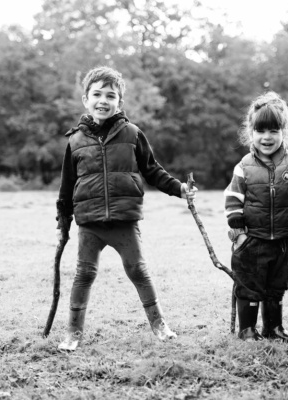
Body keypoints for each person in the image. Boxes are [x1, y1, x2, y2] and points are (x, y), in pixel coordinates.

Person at [55, 66, 196, 351]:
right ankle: (72, 332)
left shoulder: (132, 134)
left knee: (138, 271)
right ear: (85, 99)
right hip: (90, 224)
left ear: (120, 102)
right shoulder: (75, 140)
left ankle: (159, 324)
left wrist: (179, 189)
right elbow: (66, 187)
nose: (103, 101)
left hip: (124, 221)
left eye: (111, 95)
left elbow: (153, 170)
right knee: (84, 274)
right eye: (97, 94)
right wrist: (63, 221)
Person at [224, 91, 288, 344]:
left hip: (283, 239)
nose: (267, 137)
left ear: (284, 132)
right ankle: (247, 330)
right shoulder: (244, 165)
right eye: (260, 131)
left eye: (274, 130)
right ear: (251, 132)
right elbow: (233, 197)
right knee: (249, 283)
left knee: (277, 284)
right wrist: (238, 231)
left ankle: (274, 328)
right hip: (252, 239)